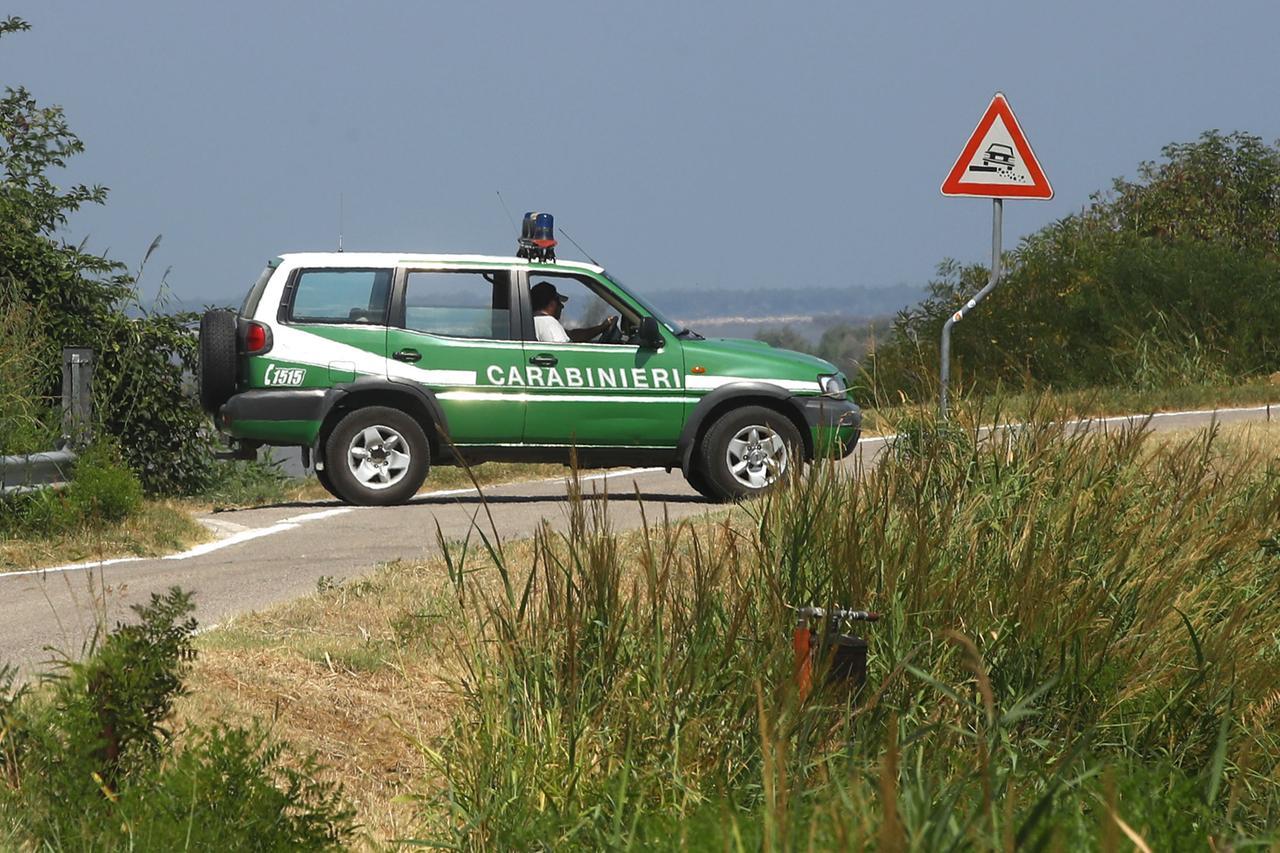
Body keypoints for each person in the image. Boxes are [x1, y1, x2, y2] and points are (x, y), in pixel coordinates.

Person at [530, 281, 618, 343]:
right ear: (552, 304)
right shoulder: (549, 323)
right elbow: (563, 353)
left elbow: (573, 335)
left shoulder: (533, 322)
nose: (562, 306)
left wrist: (601, 327)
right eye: (559, 303)